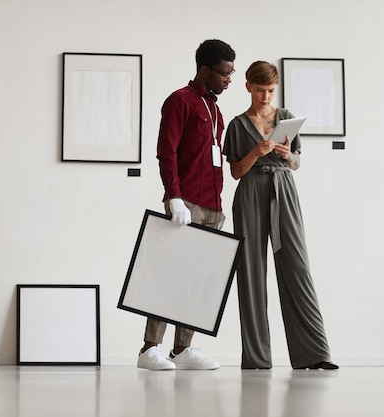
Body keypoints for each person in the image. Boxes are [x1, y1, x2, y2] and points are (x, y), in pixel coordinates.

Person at [222, 61, 338, 370]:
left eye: (271, 91)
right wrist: (256, 153)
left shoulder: (286, 118)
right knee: (251, 272)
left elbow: (297, 164)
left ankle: (314, 355)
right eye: (260, 90)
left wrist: (290, 157)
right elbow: (235, 172)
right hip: (250, 193)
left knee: (296, 267)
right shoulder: (236, 124)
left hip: (283, 189)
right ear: (248, 87)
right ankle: (257, 359)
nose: (265, 97)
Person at [137, 39, 236, 371]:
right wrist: (174, 195)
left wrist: (218, 206)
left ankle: (182, 349)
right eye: (224, 73)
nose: (228, 79)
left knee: (196, 279)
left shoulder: (215, 108)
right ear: (205, 70)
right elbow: (167, 151)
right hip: (186, 203)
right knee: (170, 275)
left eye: (231, 73)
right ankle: (150, 349)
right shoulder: (179, 101)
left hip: (212, 207)